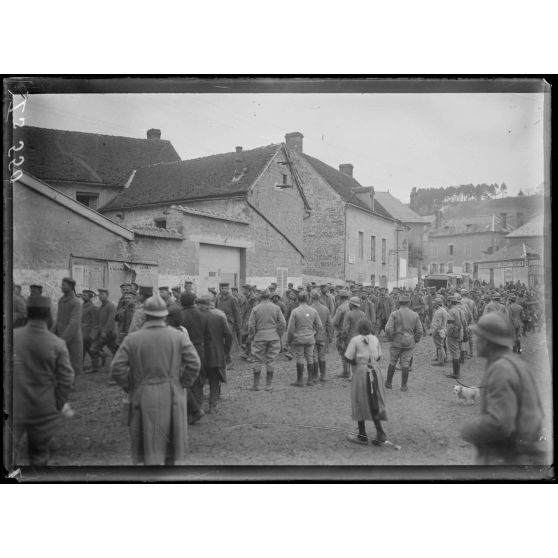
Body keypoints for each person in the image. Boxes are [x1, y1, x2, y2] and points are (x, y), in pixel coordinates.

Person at [110, 296, 201, 465]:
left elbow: (116, 368)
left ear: (145, 315)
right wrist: (182, 383)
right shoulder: (178, 336)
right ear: (164, 315)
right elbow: (194, 363)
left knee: (148, 443)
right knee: (171, 443)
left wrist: (129, 386)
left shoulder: (132, 339)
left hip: (143, 393)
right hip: (172, 392)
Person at [461, 313, 548, 465]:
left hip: (512, 457)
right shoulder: (514, 363)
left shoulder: (501, 369)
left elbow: (499, 423)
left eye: (477, 336)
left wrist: (468, 429)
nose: (474, 340)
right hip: (524, 452)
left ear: (487, 342)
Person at [12, 296, 75, 466]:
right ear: (48, 316)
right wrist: (57, 403)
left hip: (14, 408)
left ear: (27, 314)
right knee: (39, 455)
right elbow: (67, 378)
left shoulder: (11, 338)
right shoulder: (57, 343)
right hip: (43, 409)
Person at [344, 319, 387, 446]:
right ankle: (380, 432)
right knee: (374, 401)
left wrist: (357, 363)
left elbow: (348, 357)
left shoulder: (355, 340)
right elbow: (379, 356)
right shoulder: (375, 339)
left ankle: (362, 435)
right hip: (375, 372)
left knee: (360, 401)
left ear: (359, 328)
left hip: (361, 373)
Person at [166, 304, 205, 425]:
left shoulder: (172, 331)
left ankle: (194, 411)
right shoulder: (183, 330)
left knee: (180, 389)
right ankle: (194, 411)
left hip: (175, 363)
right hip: (180, 362)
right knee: (182, 388)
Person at [198, 295, 233, 413]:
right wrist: (225, 351)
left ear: (202, 305)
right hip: (216, 355)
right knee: (214, 381)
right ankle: (213, 406)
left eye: (199, 305)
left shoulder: (196, 319)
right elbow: (229, 336)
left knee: (198, 382)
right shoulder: (219, 318)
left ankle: (198, 408)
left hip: (199, 355)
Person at [247, 290, 286, 391]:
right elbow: (283, 323)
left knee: (257, 359)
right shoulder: (276, 308)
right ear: (270, 297)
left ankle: (256, 385)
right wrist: (279, 334)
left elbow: (251, 325)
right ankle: (268, 386)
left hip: (259, 337)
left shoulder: (256, 308)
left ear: (261, 297)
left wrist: (252, 335)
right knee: (271, 360)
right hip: (273, 336)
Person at [384, 295, 423, 391]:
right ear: (409, 303)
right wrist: (415, 340)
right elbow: (420, 331)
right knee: (405, 363)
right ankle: (404, 386)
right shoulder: (415, 314)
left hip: (396, 341)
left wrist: (391, 337)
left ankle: (389, 383)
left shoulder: (394, 314)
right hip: (409, 342)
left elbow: (388, 329)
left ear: (399, 303)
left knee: (393, 361)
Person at [286, 291, 322, 387]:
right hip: (310, 338)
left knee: (300, 357)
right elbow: (319, 325)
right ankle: (310, 380)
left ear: (298, 299)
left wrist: (289, 340)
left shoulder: (295, 311)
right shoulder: (313, 311)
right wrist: (313, 333)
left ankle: (300, 380)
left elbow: (290, 328)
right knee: (310, 357)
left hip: (299, 338)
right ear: (307, 299)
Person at [52, 277, 83, 376]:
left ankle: (71, 384)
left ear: (71, 287)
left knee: (72, 361)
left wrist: (64, 338)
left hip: (72, 337)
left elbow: (74, 323)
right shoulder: (61, 300)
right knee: (61, 361)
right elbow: (58, 319)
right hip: (61, 335)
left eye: (64, 285)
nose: (61, 287)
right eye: (62, 284)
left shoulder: (76, 302)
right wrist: (51, 332)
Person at [309, 290, 334, 383]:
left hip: (313, 336)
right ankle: (323, 375)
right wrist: (330, 335)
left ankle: (315, 376)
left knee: (314, 356)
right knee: (322, 356)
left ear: (311, 297)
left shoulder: (309, 309)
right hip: (323, 336)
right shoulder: (325, 308)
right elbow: (330, 323)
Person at [216, 282, 242, 356]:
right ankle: (223, 355)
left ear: (228, 289)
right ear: (220, 289)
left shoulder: (232, 299)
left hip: (229, 322)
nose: (224, 290)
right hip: (219, 322)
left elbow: (237, 313)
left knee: (229, 339)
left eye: (225, 288)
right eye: (222, 288)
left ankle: (229, 357)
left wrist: (238, 325)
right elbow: (215, 309)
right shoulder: (218, 298)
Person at [94, 288, 118, 363]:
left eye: (103, 294)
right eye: (99, 294)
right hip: (102, 333)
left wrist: (105, 332)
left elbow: (111, 320)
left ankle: (119, 364)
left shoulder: (111, 306)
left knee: (114, 350)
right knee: (94, 348)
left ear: (107, 295)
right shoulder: (100, 308)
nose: (100, 296)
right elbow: (98, 322)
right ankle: (103, 357)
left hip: (109, 333)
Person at [332, 290, 351, 379]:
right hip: (353, 334)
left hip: (342, 334)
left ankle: (346, 372)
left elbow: (335, 322)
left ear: (340, 298)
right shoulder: (353, 306)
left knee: (343, 353)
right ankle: (350, 372)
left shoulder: (341, 308)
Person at [81, 289, 101, 373]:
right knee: (82, 351)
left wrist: (93, 335)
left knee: (92, 350)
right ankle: (80, 366)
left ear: (90, 297)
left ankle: (95, 367)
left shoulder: (93, 308)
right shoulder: (82, 306)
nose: (83, 296)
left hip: (89, 334)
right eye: (83, 295)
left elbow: (96, 323)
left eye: (85, 295)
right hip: (82, 333)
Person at [445, 295, 464, 379]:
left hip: (453, 334)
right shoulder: (459, 310)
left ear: (450, 302)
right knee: (457, 352)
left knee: (454, 354)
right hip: (459, 332)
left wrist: (447, 334)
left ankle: (456, 373)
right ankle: (456, 372)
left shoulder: (451, 311)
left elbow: (449, 325)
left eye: (448, 302)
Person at [430, 297, 448, 366]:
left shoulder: (439, 312)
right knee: (441, 345)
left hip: (438, 330)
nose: (433, 305)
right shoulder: (442, 310)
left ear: (437, 304)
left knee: (439, 346)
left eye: (434, 303)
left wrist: (434, 332)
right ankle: (443, 358)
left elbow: (438, 324)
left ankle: (441, 361)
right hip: (442, 329)